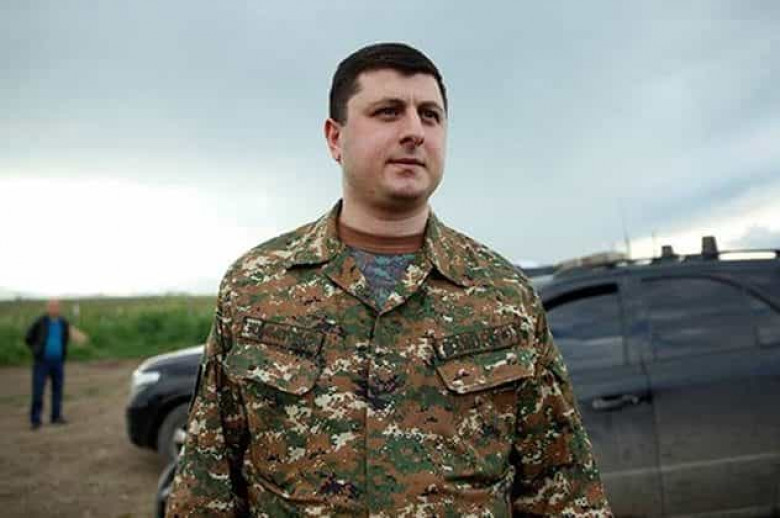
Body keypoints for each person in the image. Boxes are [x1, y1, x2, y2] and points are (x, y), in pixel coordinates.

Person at [167, 42, 612, 517]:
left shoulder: (504, 296)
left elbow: (563, 489)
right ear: (335, 138)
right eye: (388, 112)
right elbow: (206, 483)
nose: (414, 131)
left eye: (430, 116)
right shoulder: (256, 286)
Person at [25, 299, 70, 430]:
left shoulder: (63, 322)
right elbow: (28, 337)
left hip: (58, 362)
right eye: (51, 306)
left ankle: (56, 416)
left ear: (60, 308)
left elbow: (65, 338)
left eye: (56, 306)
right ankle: (35, 420)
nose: (54, 309)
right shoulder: (40, 321)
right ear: (47, 308)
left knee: (57, 390)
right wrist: (35, 350)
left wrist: (62, 353)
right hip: (42, 362)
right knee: (38, 391)